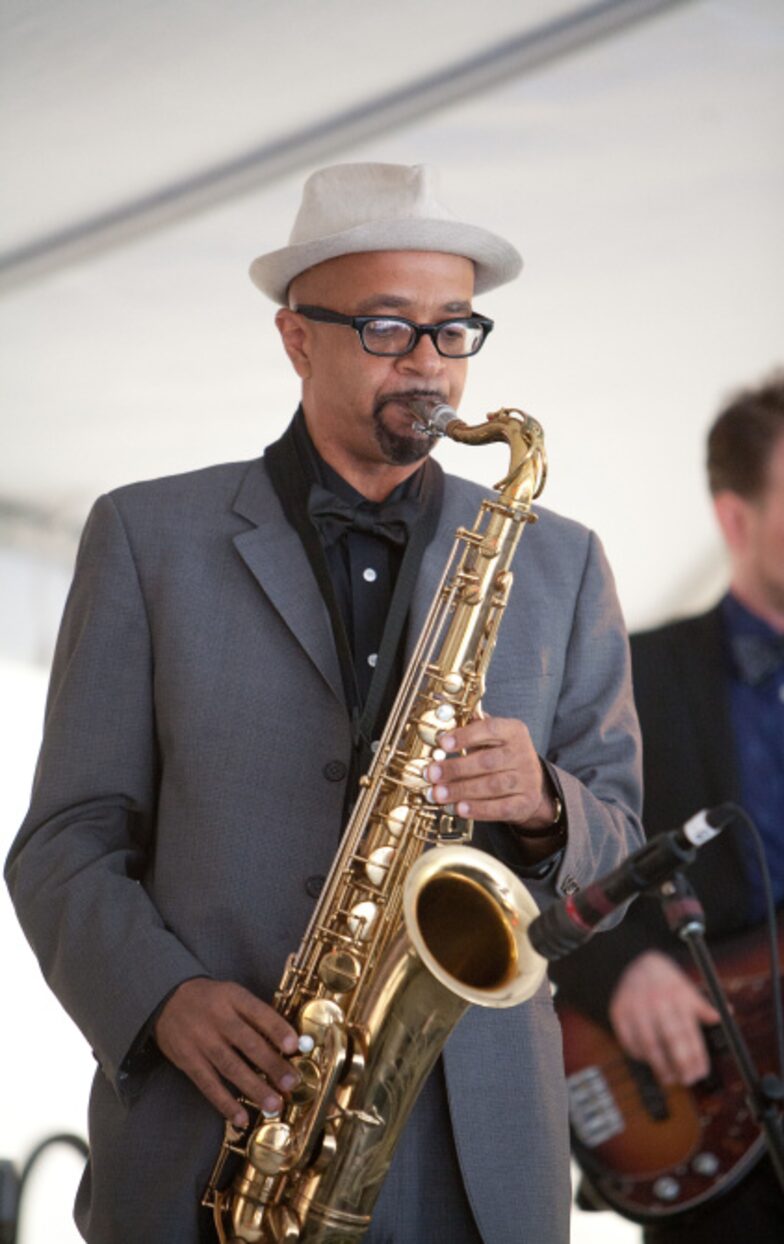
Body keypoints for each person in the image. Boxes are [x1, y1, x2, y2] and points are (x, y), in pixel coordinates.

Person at [5, 161, 643, 1244]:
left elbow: (620, 844)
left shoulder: (560, 561)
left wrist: (543, 802)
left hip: (475, 1153)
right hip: (224, 1122)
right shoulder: (146, 537)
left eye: (453, 329)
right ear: (295, 335)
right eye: (389, 327)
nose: (430, 365)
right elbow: (63, 842)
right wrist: (161, 997)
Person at [551, 371, 784, 1243]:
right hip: (704, 1118)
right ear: (735, 520)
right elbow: (535, 859)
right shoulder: (632, 677)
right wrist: (620, 969)